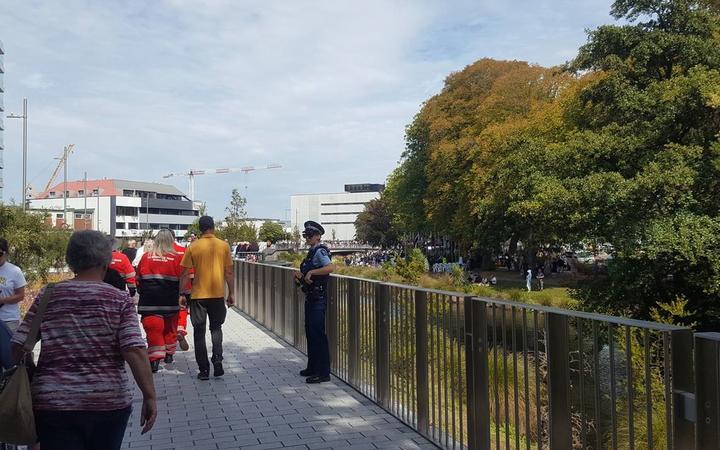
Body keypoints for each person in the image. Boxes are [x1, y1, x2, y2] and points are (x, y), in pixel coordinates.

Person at [10, 230, 156, 449]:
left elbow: (18, 346)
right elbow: (134, 350)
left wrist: (31, 366)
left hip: (53, 404)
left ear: (71, 261)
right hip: (108, 403)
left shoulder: (48, 295)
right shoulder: (118, 299)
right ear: (106, 262)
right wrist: (149, 396)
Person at [179, 216, 234, 380]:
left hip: (198, 297)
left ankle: (203, 370)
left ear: (200, 229)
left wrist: (181, 294)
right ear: (213, 227)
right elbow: (229, 272)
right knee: (216, 329)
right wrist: (231, 293)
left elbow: (184, 273)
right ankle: (218, 360)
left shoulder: (193, 247)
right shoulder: (223, 246)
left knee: (199, 332)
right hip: (217, 295)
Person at [136, 229, 184, 373]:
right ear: (171, 241)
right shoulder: (176, 258)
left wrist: (141, 291)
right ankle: (169, 354)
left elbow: (138, 278)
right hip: (170, 301)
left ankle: (154, 360)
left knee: (153, 330)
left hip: (150, 301)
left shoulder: (146, 257)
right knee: (170, 328)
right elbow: (183, 280)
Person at [294, 221, 334, 384]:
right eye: (306, 235)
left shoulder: (320, 251)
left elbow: (330, 268)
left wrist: (311, 272)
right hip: (311, 297)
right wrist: (300, 277)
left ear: (318, 236)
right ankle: (312, 366)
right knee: (310, 333)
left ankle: (323, 372)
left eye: (310, 235)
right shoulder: (311, 252)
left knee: (318, 334)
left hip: (318, 299)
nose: (307, 238)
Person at [0, 238, 27, 334]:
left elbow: (21, 295)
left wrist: (2, 300)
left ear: (6, 253)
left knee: (7, 348)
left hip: (9, 320)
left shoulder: (15, 271)